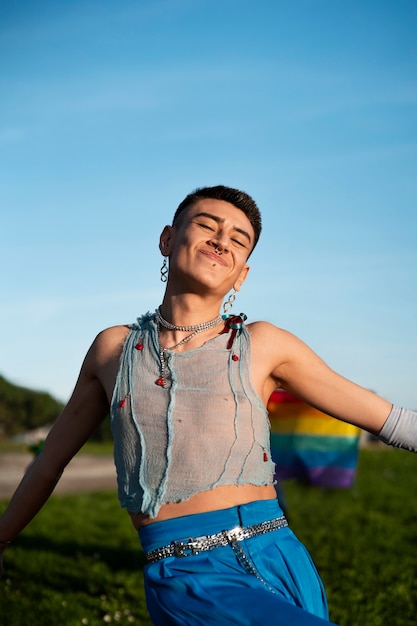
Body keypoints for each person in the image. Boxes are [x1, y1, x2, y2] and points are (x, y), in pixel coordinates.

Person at [0, 185, 416, 625]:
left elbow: (388, 418)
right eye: (206, 225)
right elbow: (50, 463)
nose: (222, 240)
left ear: (242, 275)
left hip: (280, 554)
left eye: (239, 239)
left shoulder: (264, 344)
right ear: (167, 238)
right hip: (186, 573)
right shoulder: (113, 350)